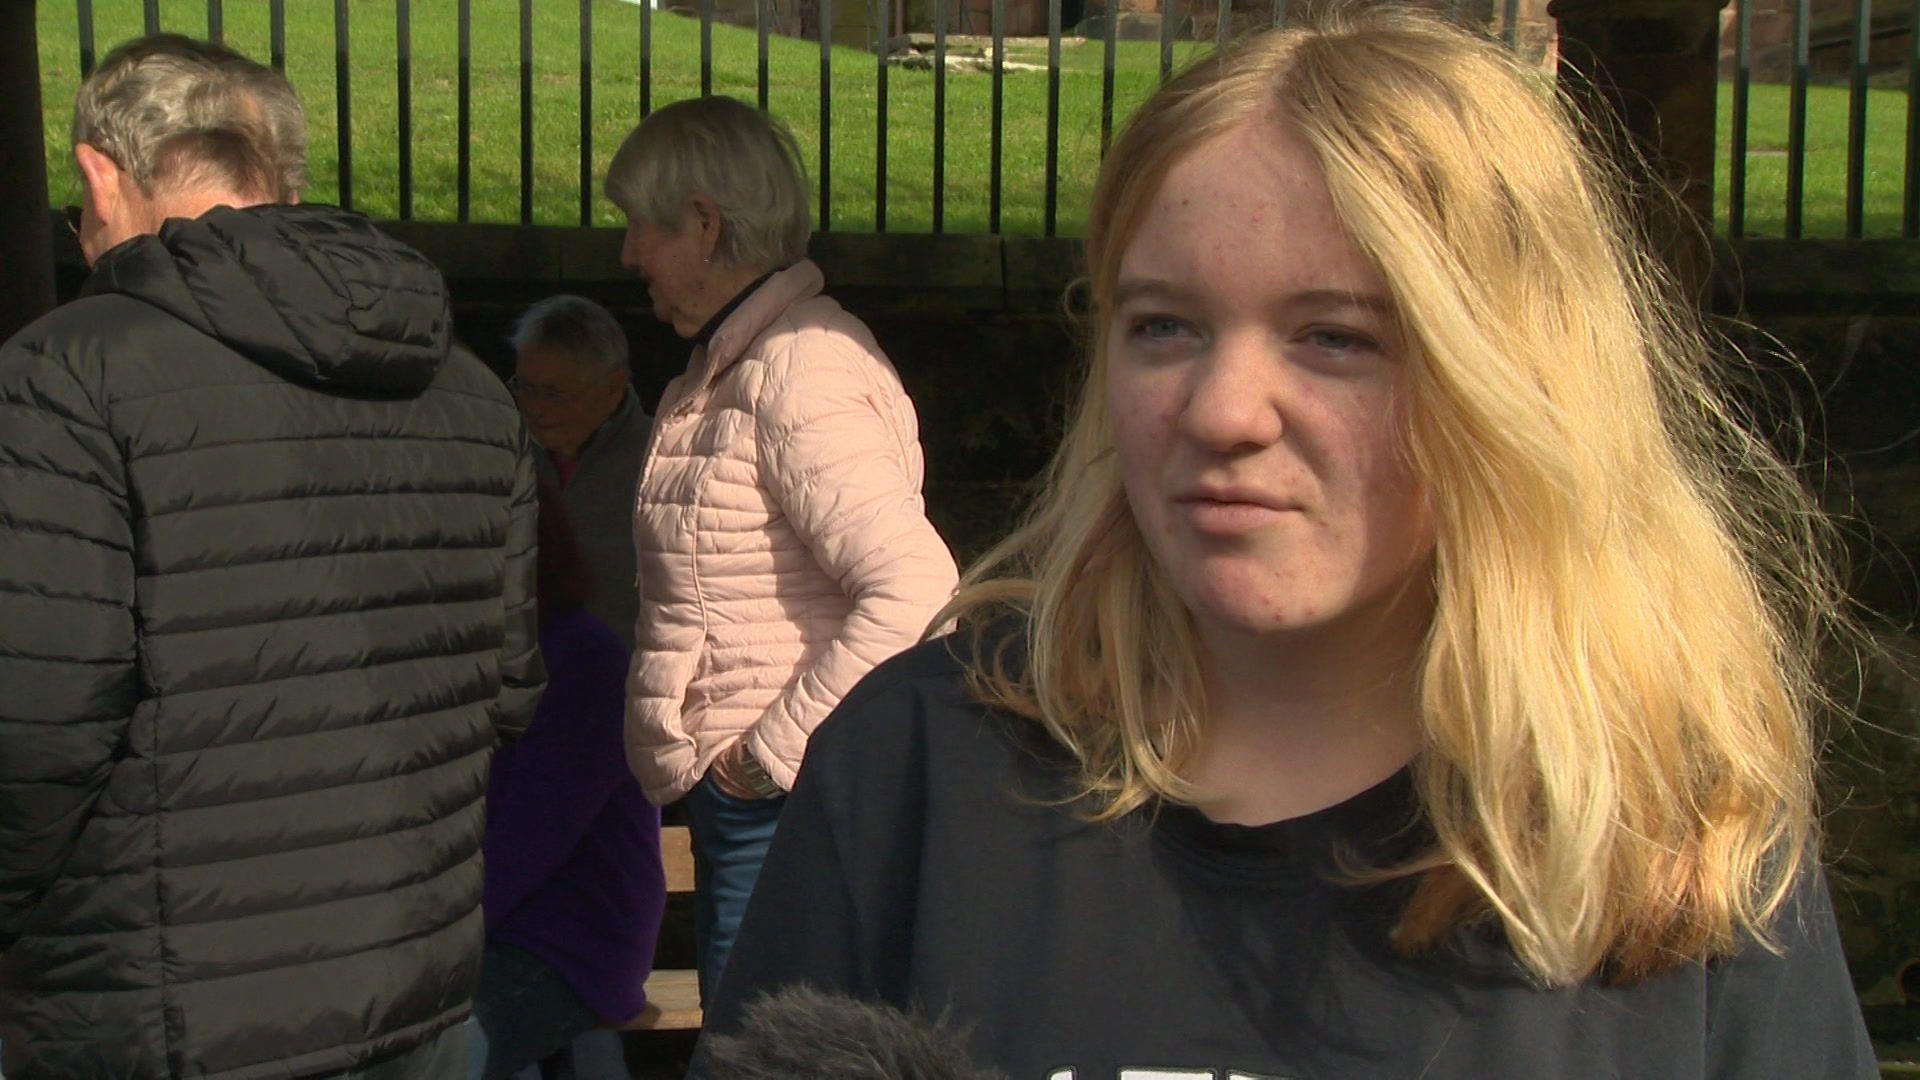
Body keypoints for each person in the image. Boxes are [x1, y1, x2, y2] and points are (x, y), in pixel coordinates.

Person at [699, 7, 1879, 1077]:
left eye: (1337, 339)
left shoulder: (1675, 842)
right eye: (1164, 326)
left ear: (1519, 382)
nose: (1220, 411)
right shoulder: (920, 766)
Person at [0, 34, 543, 1079]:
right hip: (407, 987)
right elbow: (506, 690)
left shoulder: (65, 376)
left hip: (159, 1006)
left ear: (99, 174)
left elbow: (32, 719)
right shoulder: (468, 389)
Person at [603, 95, 960, 1003]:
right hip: (764, 806)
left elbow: (915, 585)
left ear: (703, 222)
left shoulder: (803, 367)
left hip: (788, 807)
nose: (626, 254)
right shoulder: (737, 362)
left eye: (638, 225)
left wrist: (764, 758)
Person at [468, 477, 665, 1079]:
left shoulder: (583, 660)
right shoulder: (465, 656)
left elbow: (528, 839)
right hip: (485, 934)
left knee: (422, 1052)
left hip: (569, 943)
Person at [511, 295, 653, 649]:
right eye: (526, 389)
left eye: (555, 394)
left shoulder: (663, 459)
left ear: (612, 388)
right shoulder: (501, 454)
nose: (536, 409)